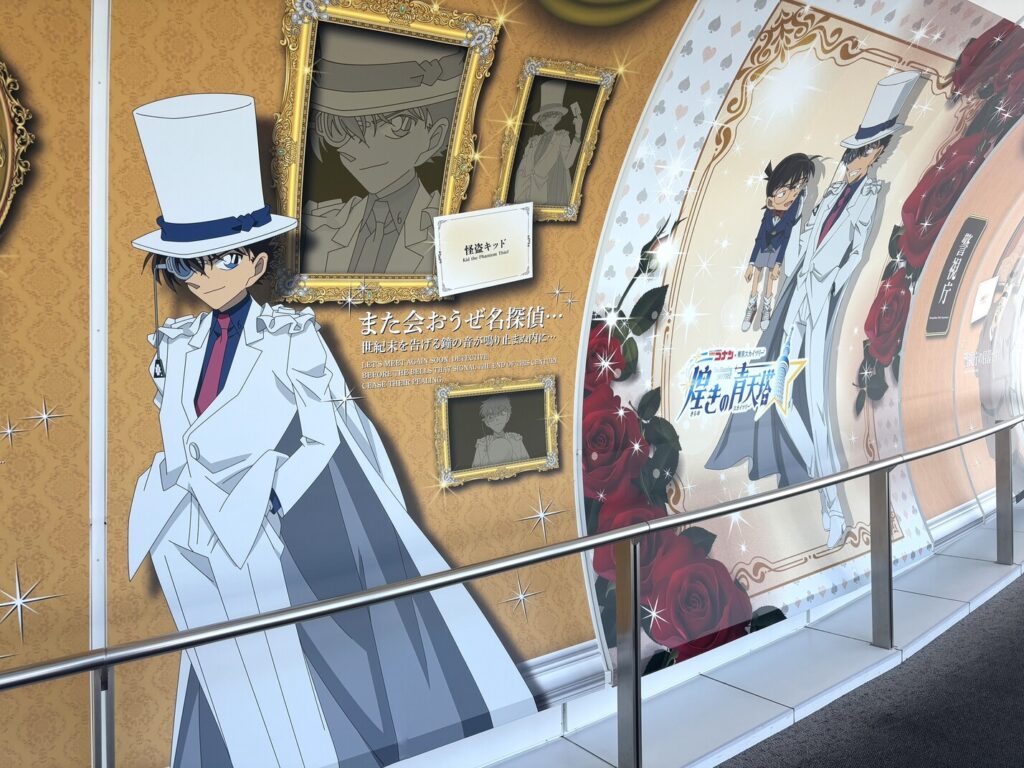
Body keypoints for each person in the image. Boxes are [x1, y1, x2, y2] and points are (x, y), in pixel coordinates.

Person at [129, 93, 536, 767]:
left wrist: (275, 497)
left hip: (282, 534)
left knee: (309, 687)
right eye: (191, 264)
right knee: (229, 683)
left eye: (223, 260)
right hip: (200, 549)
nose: (205, 277)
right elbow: (182, 442)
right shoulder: (175, 348)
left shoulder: (290, 338)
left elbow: (325, 433)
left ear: (257, 262)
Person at [708, 71, 919, 549]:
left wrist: (829, 290)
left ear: (878, 153)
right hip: (796, 297)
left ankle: (831, 506)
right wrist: (800, 211)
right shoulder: (826, 196)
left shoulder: (870, 196)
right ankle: (816, 484)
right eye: (857, 153)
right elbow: (803, 245)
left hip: (820, 302)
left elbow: (853, 254)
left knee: (818, 408)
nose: (858, 160)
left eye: (867, 153)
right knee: (782, 394)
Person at [302, 28, 462, 275]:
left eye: (397, 125)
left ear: (434, 137)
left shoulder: (448, 232)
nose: (355, 149)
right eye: (339, 130)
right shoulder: (320, 225)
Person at [741, 154, 816, 332]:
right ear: (770, 200)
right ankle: (752, 305)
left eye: (798, 188)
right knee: (757, 274)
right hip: (763, 245)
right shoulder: (769, 211)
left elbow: (787, 235)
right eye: (784, 192)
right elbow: (760, 235)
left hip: (777, 247)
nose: (792, 195)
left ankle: (766, 308)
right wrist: (751, 263)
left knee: (770, 280)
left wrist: (778, 264)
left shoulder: (793, 208)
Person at [513, 80, 583, 205]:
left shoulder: (561, 137)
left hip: (550, 189)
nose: (548, 121)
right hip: (529, 192)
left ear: (559, 118)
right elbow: (523, 167)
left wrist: (577, 134)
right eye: (544, 117)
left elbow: (568, 163)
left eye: (553, 116)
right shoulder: (533, 141)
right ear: (539, 121)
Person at [472, 395, 530, 468]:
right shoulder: (482, 444)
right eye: (491, 417)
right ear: (486, 422)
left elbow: (527, 464)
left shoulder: (515, 439)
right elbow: (475, 468)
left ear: (508, 416)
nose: (497, 419)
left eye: (501, 414)